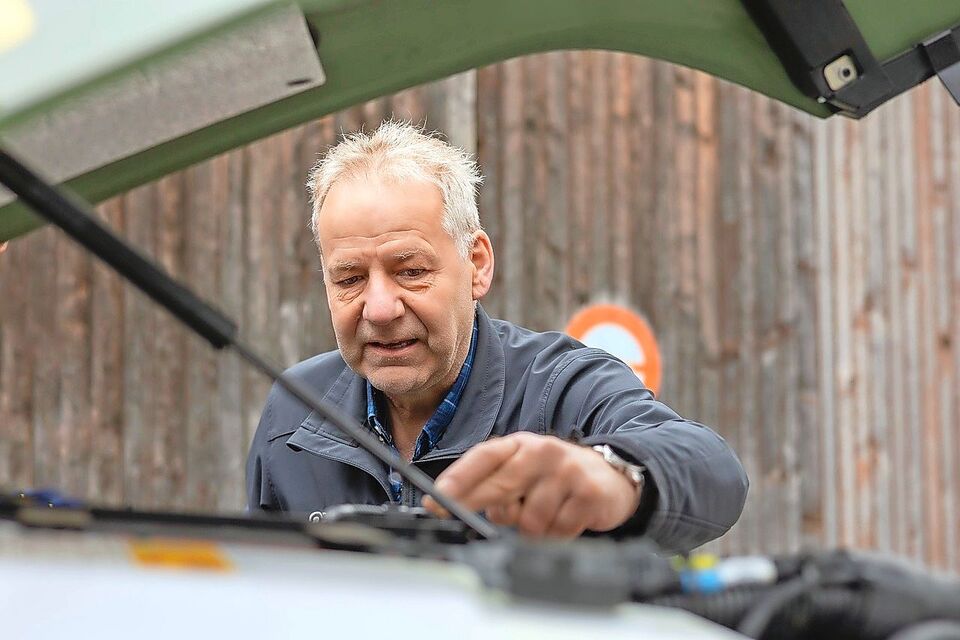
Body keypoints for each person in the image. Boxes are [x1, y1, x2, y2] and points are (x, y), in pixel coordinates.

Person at [246, 121, 748, 552]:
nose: (379, 309)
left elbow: (716, 473)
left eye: (411, 271)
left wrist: (614, 473)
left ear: (477, 265)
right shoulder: (293, 413)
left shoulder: (562, 390)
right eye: (350, 278)